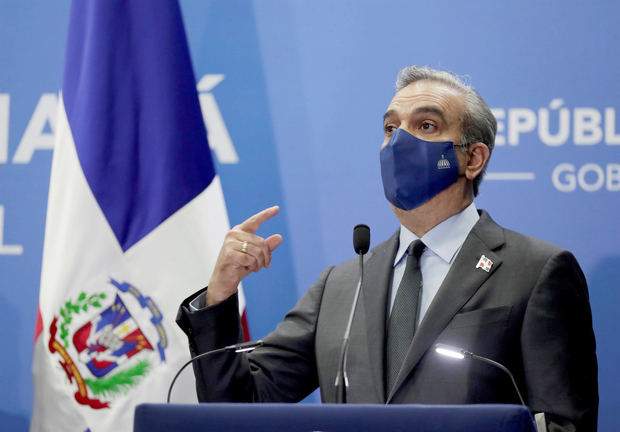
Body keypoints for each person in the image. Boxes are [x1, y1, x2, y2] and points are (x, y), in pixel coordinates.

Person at [176, 66, 598, 431]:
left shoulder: (537, 271)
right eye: (391, 128)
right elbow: (240, 409)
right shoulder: (342, 284)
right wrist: (221, 296)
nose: (399, 142)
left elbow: (563, 424)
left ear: (473, 159)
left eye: (426, 126)